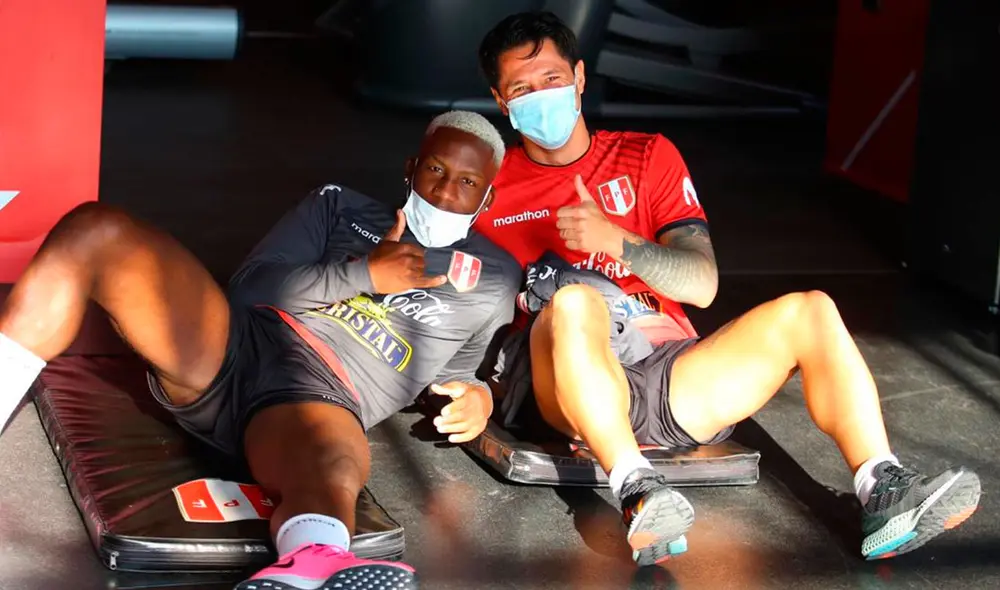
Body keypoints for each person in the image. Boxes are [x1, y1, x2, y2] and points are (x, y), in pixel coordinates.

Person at [473, 11, 981, 566]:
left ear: (579, 77)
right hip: (565, 380)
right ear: (501, 101)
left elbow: (703, 285)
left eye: (551, 79)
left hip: (668, 373)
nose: (539, 96)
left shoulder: (646, 155)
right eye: (521, 88)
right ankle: (637, 490)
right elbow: (451, 299)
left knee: (810, 311)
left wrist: (616, 241)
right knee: (575, 301)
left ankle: (882, 489)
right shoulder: (486, 187)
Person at [0, 111, 520, 590]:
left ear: (488, 197)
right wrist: (365, 274)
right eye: (435, 170)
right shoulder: (338, 205)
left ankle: (314, 566)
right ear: (411, 169)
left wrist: (477, 397)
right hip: (231, 346)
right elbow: (251, 288)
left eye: (467, 182)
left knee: (325, 462)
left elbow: (459, 377)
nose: (445, 191)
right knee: (95, 230)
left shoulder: (494, 279)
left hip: (323, 392)